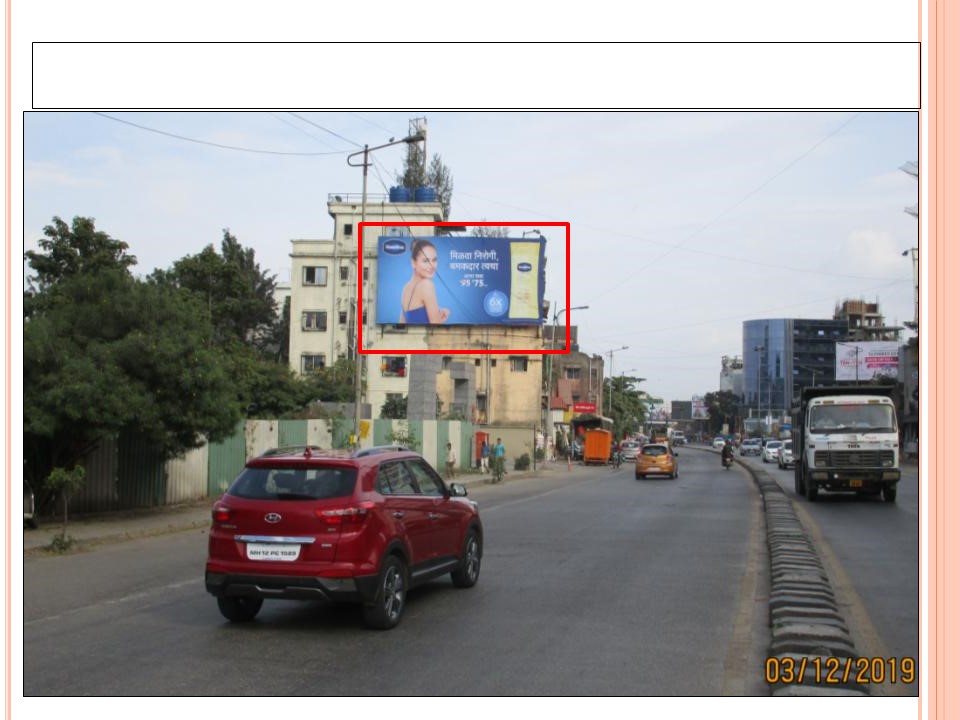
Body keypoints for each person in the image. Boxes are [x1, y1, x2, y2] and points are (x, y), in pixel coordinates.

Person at [400, 239, 450, 324]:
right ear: (413, 263)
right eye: (425, 261)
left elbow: (402, 323)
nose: (431, 265)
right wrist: (440, 320)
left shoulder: (406, 288)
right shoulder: (426, 285)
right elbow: (436, 328)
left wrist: (437, 315)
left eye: (434, 260)